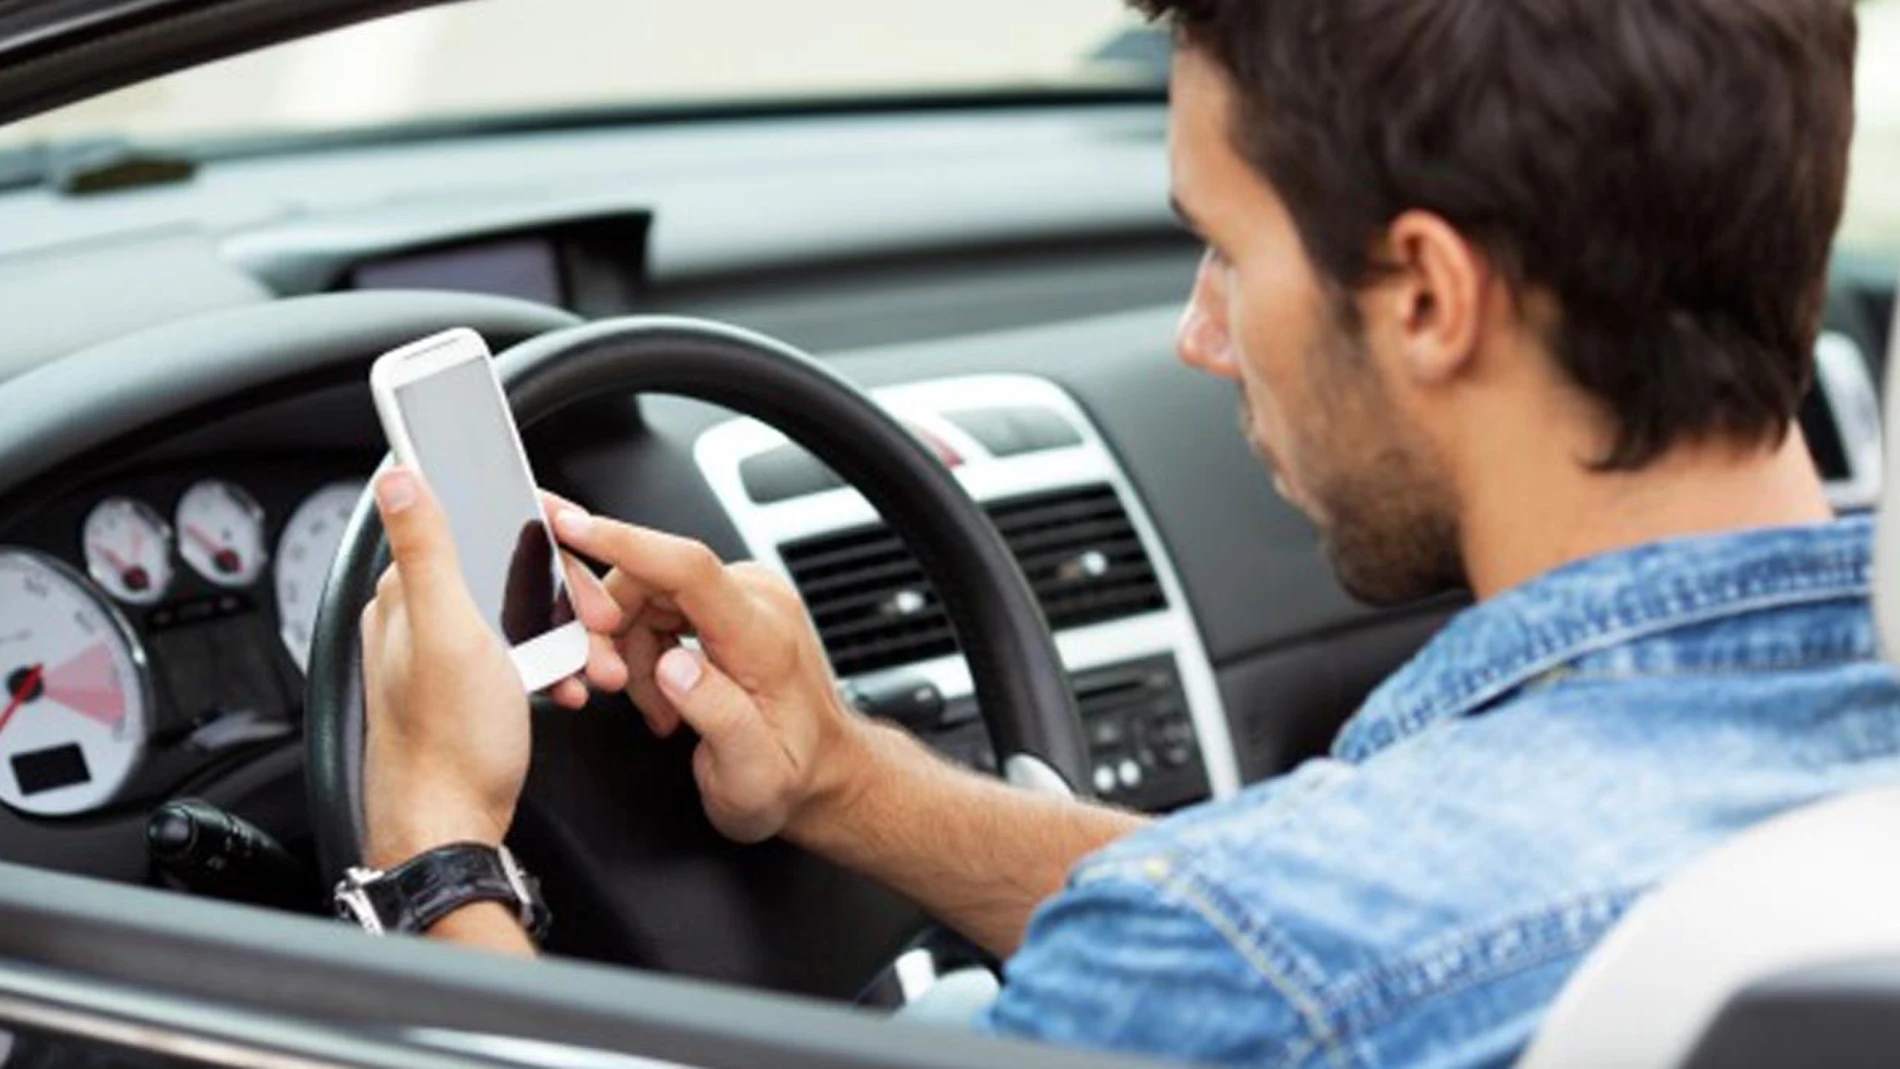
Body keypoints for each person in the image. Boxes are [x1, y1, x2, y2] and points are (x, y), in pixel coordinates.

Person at [356, 0, 1900, 1065]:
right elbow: (1342, 937)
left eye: (1226, 250)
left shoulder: (1260, 953)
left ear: (1428, 297)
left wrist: (434, 851)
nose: (1201, 336)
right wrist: (846, 784)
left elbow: (1286, 953)